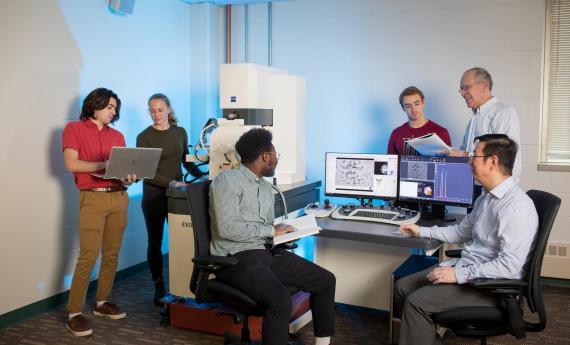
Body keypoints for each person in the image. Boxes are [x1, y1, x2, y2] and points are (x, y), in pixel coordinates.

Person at [394, 134, 538, 345]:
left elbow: (509, 266)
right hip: (471, 271)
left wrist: (458, 274)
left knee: (416, 303)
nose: (468, 161)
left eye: (474, 156)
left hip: (489, 287)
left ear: (493, 161)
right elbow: (460, 232)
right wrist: (421, 230)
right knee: (402, 287)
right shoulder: (486, 197)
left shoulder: (515, 207)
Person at [209, 128, 336, 345]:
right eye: (276, 154)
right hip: (235, 259)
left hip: (265, 252)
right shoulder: (227, 181)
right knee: (280, 301)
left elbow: (266, 228)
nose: (277, 159)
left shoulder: (267, 189)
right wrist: (270, 231)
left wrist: (283, 235)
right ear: (266, 157)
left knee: (325, 280)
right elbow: (227, 228)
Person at [62, 88, 137, 336]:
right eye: (109, 106)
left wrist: (129, 179)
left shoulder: (118, 135)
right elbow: (72, 163)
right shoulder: (73, 129)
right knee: (88, 256)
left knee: (112, 253)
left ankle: (102, 302)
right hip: (92, 199)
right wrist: (103, 165)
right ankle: (74, 313)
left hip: (119, 196)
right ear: (94, 105)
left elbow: (124, 175)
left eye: (115, 108)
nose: (113, 111)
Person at [136, 93, 204, 305]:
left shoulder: (180, 132)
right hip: (154, 194)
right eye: (152, 110)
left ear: (169, 109)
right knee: (155, 242)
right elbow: (146, 171)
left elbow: (186, 162)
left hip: (177, 195)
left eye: (160, 109)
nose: (156, 114)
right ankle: (159, 285)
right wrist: (173, 183)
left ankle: (183, 282)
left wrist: (205, 174)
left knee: (182, 240)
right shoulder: (144, 136)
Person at [450, 67, 522, 201]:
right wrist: (446, 151)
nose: (462, 93)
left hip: (495, 190)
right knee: (472, 222)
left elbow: (503, 156)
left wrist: (461, 154)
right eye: (461, 89)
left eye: (466, 88)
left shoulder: (503, 113)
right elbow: (466, 149)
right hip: (475, 186)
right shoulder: (475, 118)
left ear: (483, 86)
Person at [387, 86, 452, 155]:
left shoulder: (441, 132)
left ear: (423, 103)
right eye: (408, 106)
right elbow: (391, 163)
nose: (413, 109)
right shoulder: (396, 134)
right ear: (403, 108)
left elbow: (448, 163)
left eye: (416, 104)